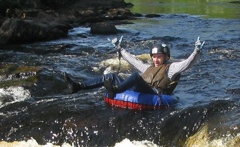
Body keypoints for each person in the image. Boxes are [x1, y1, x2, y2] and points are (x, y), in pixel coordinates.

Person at [64, 37, 205, 98]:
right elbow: (132, 60)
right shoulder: (147, 68)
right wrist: (120, 49)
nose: (156, 59)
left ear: (166, 57)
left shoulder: (172, 68)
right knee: (111, 76)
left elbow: (188, 63)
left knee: (135, 77)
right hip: (141, 89)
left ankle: (116, 90)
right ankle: (78, 86)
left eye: (159, 56)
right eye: (154, 57)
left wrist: (196, 51)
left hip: (155, 93)